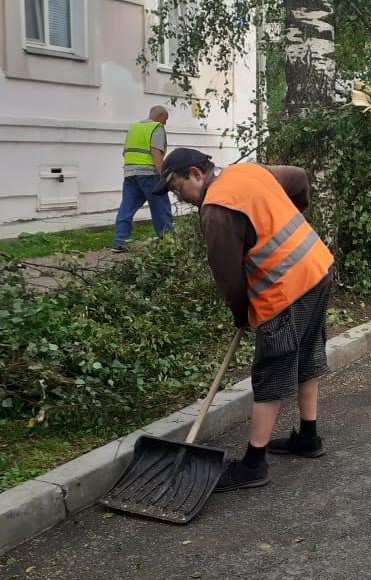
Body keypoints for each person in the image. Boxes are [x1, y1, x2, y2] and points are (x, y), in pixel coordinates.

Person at [154, 148, 335, 491]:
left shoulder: (216, 210)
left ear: (196, 173)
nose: (181, 198)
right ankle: (308, 438)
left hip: (285, 289)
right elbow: (298, 176)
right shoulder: (247, 171)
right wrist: (290, 215)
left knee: (272, 370)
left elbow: (230, 279)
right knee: (308, 354)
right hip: (317, 267)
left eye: (178, 189)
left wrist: (242, 314)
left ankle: (254, 464)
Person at [113, 106, 175, 252]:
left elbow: (125, 152)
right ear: (160, 116)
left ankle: (119, 242)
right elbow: (155, 153)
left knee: (126, 208)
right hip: (149, 174)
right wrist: (163, 177)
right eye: (165, 120)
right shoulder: (156, 128)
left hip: (130, 174)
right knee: (160, 207)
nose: (165, 123)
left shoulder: (134, 128)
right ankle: (168, 241)